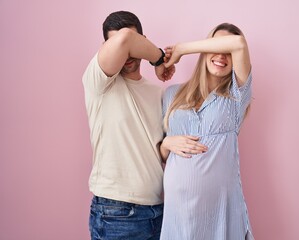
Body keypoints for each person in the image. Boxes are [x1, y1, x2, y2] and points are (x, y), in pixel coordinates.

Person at [82, 11, 175, 240]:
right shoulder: (98, 82)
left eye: (137, 45)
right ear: (106, 46)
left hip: (157, 211)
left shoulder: (158, 94)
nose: (129, 54)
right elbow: (125, 38)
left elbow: (160, 153)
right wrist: (159, 58)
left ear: (144, 40)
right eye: (120, 46)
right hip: (116, 213)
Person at [159, 23, 255, 240]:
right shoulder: (171, 94)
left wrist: (182, 49)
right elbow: (159, 156)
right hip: (178, 214)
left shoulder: (236, 95)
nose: (221, 56)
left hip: (219, 213)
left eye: (227, 52)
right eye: (214, 47)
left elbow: (239, 44)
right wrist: (166, 144)